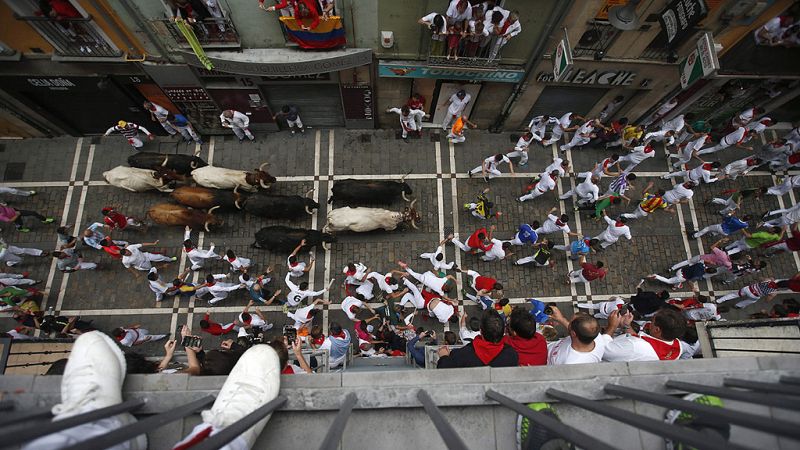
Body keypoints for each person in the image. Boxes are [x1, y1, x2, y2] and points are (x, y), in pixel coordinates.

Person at [437, 309, 518, 368]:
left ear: (481, 331)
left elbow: (444, 369)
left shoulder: (461, 354)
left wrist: (444, 357)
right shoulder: (511, 355)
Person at [602, 308, 686, 361]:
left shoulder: (635, 346)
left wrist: (612, 326)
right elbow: (638, 339)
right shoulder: (677, 345)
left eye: (652, 321)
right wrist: (626, 325)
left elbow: (603, 350)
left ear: (657, 330)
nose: (650, 322)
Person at [546, 307, 619, 365]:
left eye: (571, 322)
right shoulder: (595, 336)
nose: (568, 323)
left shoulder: (571, 363)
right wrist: (561, 319)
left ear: (573, 334)